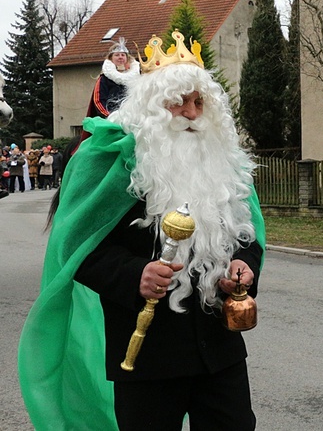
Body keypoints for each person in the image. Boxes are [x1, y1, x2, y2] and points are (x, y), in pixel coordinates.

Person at [18, 29, 266, 431]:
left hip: (219, 354)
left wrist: (244, 265)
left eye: (198, 102)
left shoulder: (223, 165)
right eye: (178, 101)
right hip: (145, 359)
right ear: (152, 107)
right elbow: (79, 247)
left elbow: (247, 233)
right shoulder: (116, 166)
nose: (190, 112)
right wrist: (136, 275)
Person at [86, 37, 140, 120]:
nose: (120, 57)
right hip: (110, 119)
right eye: (117, 55)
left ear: (127, 58)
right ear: (111, 58)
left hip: (133, 118)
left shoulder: (137, 78)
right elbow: (98, 101)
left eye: (123, 55)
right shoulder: (104, 79)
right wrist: (109, 116)